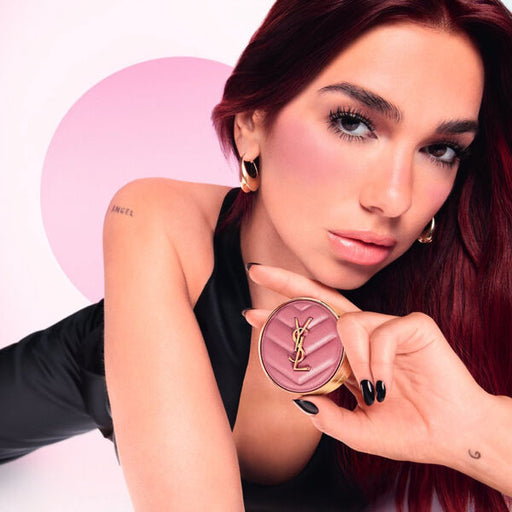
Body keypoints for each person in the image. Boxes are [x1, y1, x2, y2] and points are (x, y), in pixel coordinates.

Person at [1, 0, 512, 510]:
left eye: (441, 149)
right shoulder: (157, 217)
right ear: (251, 122)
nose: (395, 199)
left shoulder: (458, 314)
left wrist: (473, 431)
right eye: (353, 123)